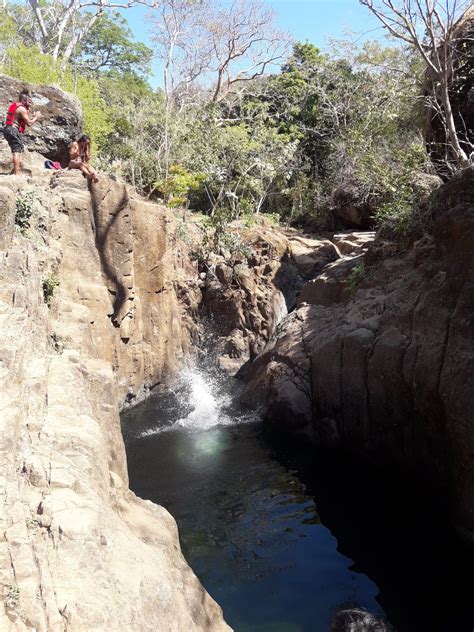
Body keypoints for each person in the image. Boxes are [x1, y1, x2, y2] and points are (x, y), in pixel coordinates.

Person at [3, 89, 42, 175]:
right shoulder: (22, 109)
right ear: (24, 100)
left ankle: (16, 171)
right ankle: (17, 174)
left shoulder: (18, 107)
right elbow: (29, 123)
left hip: (8, 129)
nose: (31, 102)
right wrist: (36, 117)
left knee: (17, 149)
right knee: (16, 151)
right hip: (12, 130)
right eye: (29, 101)